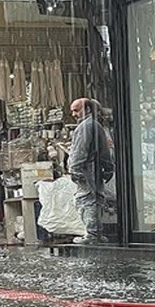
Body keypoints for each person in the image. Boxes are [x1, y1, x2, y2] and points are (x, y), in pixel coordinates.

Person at [68, 98, 114, 244]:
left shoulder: (86, 126)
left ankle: (92, 234)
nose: (74, 114)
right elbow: (105, 151)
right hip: (94, 169)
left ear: (87, 109)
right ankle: (96, 233)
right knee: (95, 199)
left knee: (87, 200)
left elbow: (79, 151)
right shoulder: (95, 126)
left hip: (87, 169)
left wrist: (74, 169)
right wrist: (108, 168)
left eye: (76, 110)